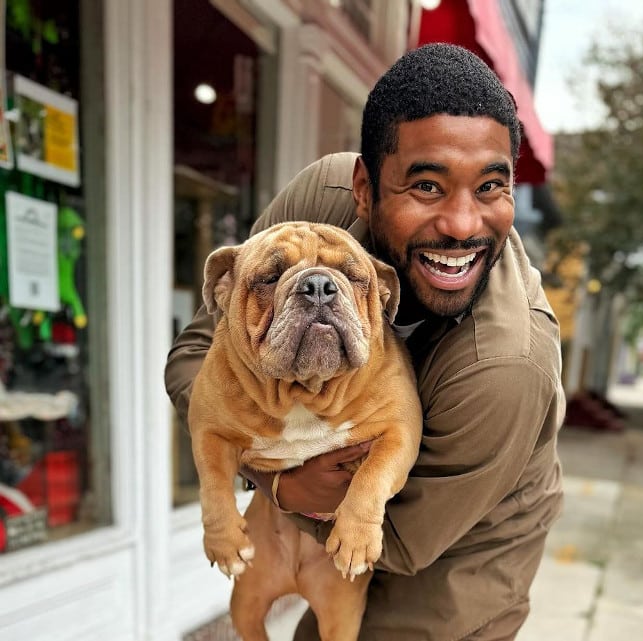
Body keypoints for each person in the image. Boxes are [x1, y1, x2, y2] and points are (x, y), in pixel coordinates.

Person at [165, 43, 565, 641]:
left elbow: (397, 543)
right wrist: (264, 469)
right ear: (363, 186)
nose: (461, 224)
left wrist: (276, 479)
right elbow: (197, 355)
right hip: (313, 517)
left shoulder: (505, 366)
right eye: (427, 185)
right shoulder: (314, 205)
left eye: (491, 186)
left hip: (449, 568)